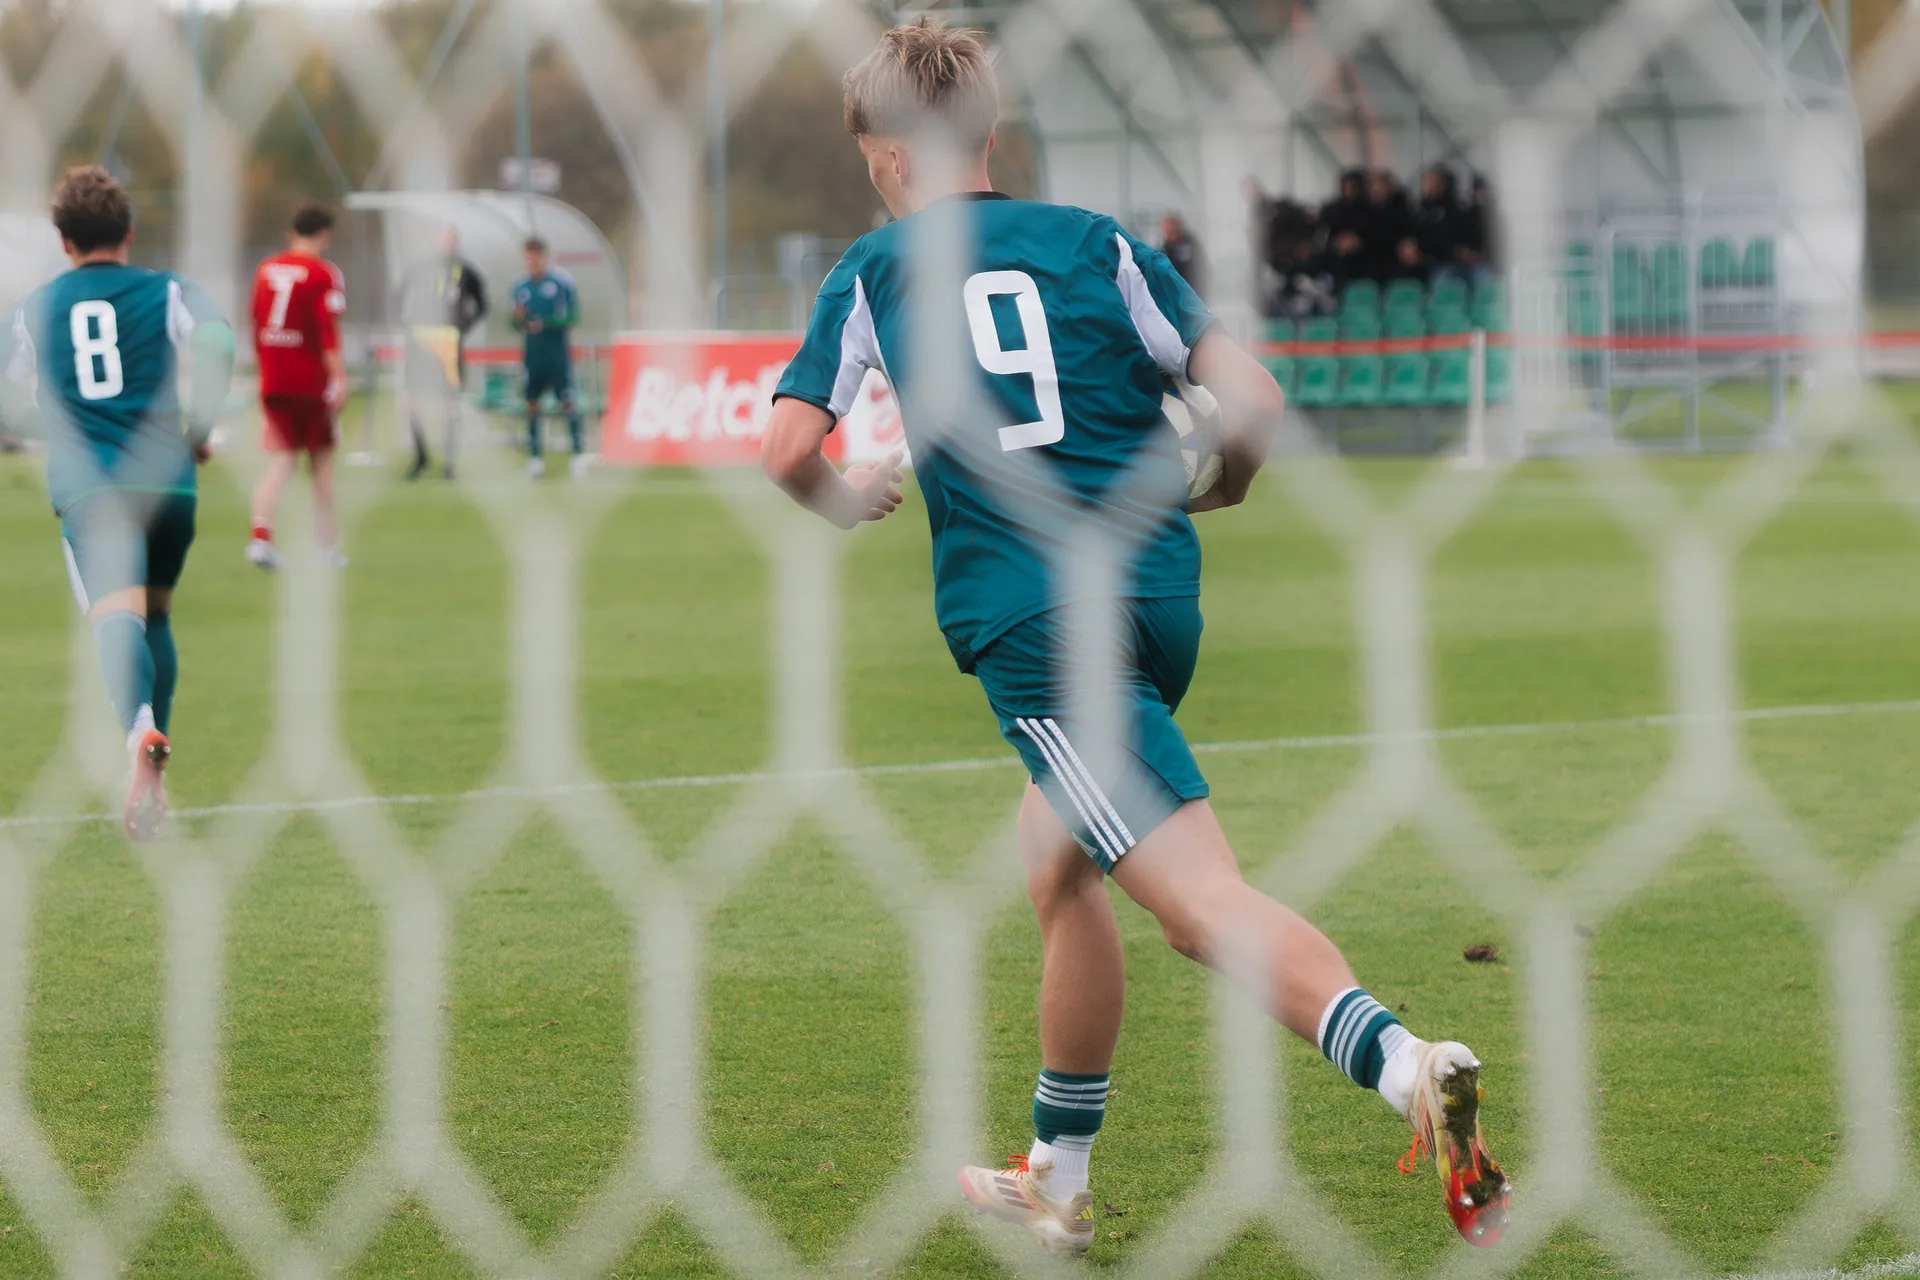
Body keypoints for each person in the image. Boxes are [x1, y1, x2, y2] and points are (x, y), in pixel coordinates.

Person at [760, 18, 1509, 1257]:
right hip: (1154, 596)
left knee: (1195, 903)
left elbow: (790, 449)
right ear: (986, 135)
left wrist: (849, 502)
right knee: (1056, 862)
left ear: (885, 151)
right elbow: (1254, 398)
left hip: (1038, 620)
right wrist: (1227, 488)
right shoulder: (1098, 243)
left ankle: (1403, 1062)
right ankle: (1057, 1177)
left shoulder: (878, 267)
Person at [2, 165, 234, 840]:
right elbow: (218, 340)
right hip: (168, 483)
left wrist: (53, 427)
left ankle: (138, 733)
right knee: (155, 612)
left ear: (63, 240)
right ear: (128, 232)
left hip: (93, 486)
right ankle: (153, 760)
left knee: (115, 617)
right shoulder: (168, 290)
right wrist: (198, 427)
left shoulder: (36, 308)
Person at [248, 200, 348, 570]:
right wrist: (340, 377)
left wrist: (264, 370)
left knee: (280, 461)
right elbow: (327, 332)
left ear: (292, 233)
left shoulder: (265, 270)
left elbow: (256, 323)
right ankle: (325, 548)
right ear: (325, 234)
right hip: (311, 382)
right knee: (321, 464)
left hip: (275, 378)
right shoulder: (324, 274)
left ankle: (260, 539)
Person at [399, 225, 487, 481]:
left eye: (451, 241)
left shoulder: (467, 272)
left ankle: (449, 462)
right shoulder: (420, 268)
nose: (446, 246)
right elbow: (400, 295)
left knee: (450, 402)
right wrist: (408, 324)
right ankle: (421, 456)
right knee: (411, 401)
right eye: (443, 240)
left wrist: (463, 326)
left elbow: (482, 305)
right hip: (421, 342)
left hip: (449, 344)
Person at [509, 237, 585, 480]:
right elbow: (513, 322)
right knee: (532, 405)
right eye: (528, 257)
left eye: (536, 256)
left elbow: (572, 317)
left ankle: (578, 458)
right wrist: (518, 320)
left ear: (544, 257)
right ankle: (535, 461)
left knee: (568, 403)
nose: (532, 262)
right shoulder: (520, 286)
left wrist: (547, 323)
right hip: (533, 355)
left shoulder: (561, 282)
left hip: (557, 354)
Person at [1415, 165, 1462, 283]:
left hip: (1444, 263)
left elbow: (1448, 241)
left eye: (1433, 181)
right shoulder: (1419, 211)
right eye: (1427, 182)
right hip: (1419, 263)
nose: (1429, 186)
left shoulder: (1453, 210)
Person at [1157, 213, 1208, 300]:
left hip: (1194, 293)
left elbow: (1201, 268)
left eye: (1173, 230)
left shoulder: (1191, 245)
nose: (1170, 233)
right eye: (1167, 230)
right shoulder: (1162, 252)